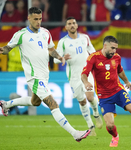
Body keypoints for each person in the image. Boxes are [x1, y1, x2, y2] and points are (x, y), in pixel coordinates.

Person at [0, 7, 90, 142]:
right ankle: (75, 133)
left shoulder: (46, 32)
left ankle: (6, 104)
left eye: (40, 19)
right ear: (29, 18)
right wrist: (2, 49)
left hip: (44, 75)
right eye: (35, 19)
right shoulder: (21, 34)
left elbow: (51, 49)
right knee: (53, 104)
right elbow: (8, 48)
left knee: (34, 102)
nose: (38, 22)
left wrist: (60, 57)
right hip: (34, 77)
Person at [54, 16, 103, 136]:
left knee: (90, 97)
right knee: (82, 102)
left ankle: (96, 114)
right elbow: (55, 60)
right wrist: (61, 58)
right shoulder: (63, 42)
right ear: (66, 27)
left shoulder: (85, 38)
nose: (72, 25)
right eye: (69, 23)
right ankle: (90, 126)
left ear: (77, 25)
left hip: (87, 73)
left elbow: (93, 53)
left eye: (73, 23)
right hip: (74, 76)